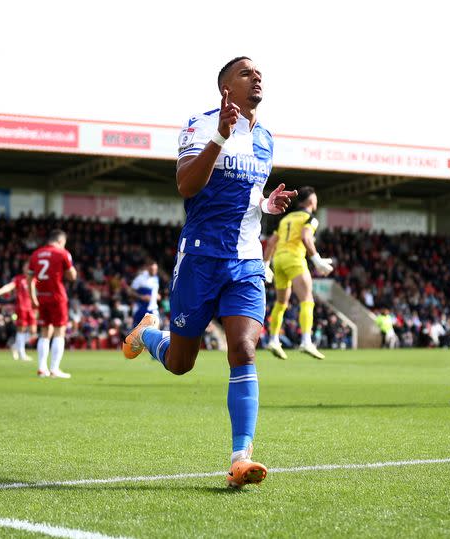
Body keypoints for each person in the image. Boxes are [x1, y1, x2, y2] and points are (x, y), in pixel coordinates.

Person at [122, 57, 296, 488]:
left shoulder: (267, 140)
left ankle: (241, 457)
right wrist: (220, 133)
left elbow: (246, 196)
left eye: (259, 73)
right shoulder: (200, 126)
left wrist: (265, 206)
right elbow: (186, 185)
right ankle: (146, 334)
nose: (256, 76)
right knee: (182, 363)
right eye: (245, 73)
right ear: (226, 89)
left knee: (244, 349)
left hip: (246, 261)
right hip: (200, 259)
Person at [262, 186, 333, 359]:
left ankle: (273, 339)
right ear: (310, 201)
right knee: (307, 300)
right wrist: (317, 261)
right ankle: (306, 341)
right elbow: (306, 237)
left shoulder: (286, 219)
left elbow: (271, 242)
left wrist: (265, 265)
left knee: (281, 303)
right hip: (294, 259)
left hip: (278, 260)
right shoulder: (310, 218)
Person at [29, 230, 77, 379]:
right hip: (57, 296)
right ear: (61, 241)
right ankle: (54, 369)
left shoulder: (36, 254)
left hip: (42, 296)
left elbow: (29, 278)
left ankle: (42, 369)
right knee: (59, 332)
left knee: (44, 331)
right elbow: (72, 276)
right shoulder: (62, 253)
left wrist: (32, 297)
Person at [0, 262, 36, 361]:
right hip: (21, 307)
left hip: (32, 307)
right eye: (25, 266)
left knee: (33, 332)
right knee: (21, 329)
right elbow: (9, 287)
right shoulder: (19, 279)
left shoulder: (35, 279)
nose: (27, 268)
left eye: (29, 266)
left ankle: (16, 346)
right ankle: (22, 354)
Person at [130, 259, 160, 327]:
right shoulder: (140, 278)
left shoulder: (156, 279)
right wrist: (141, 297)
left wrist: (156, 296)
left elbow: (155, 292)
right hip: (141, 309)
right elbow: (131, 291)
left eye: (156, 269)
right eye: (153, 269)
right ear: (148, 268)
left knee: (155, 331)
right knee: (137, 332)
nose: (155, 271)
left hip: (153, 309)